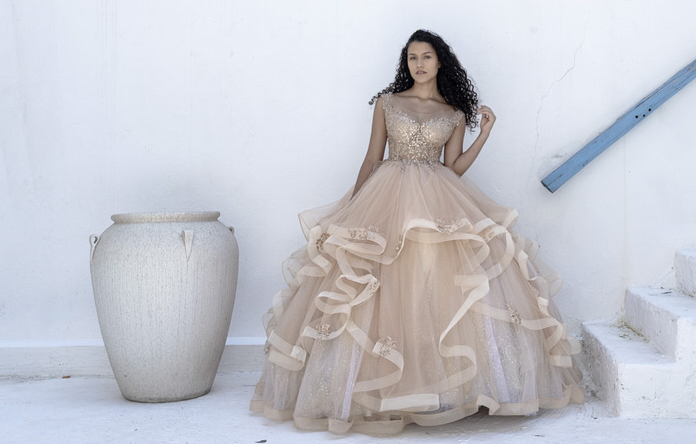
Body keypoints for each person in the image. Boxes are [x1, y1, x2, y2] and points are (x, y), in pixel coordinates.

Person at [250, 29, 583, 434]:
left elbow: (453, 168)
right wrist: (353, 208)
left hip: (436, 199)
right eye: (412, 58)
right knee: (379, 286)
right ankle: (373, 393)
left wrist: (486, 134)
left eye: (426, 57)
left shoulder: (455, 113)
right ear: (405, 64)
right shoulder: (388, 103)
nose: (419, 64)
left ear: (440, 62)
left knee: (433, 287)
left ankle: (446, 389)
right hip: (386, 197)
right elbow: (372, 158)